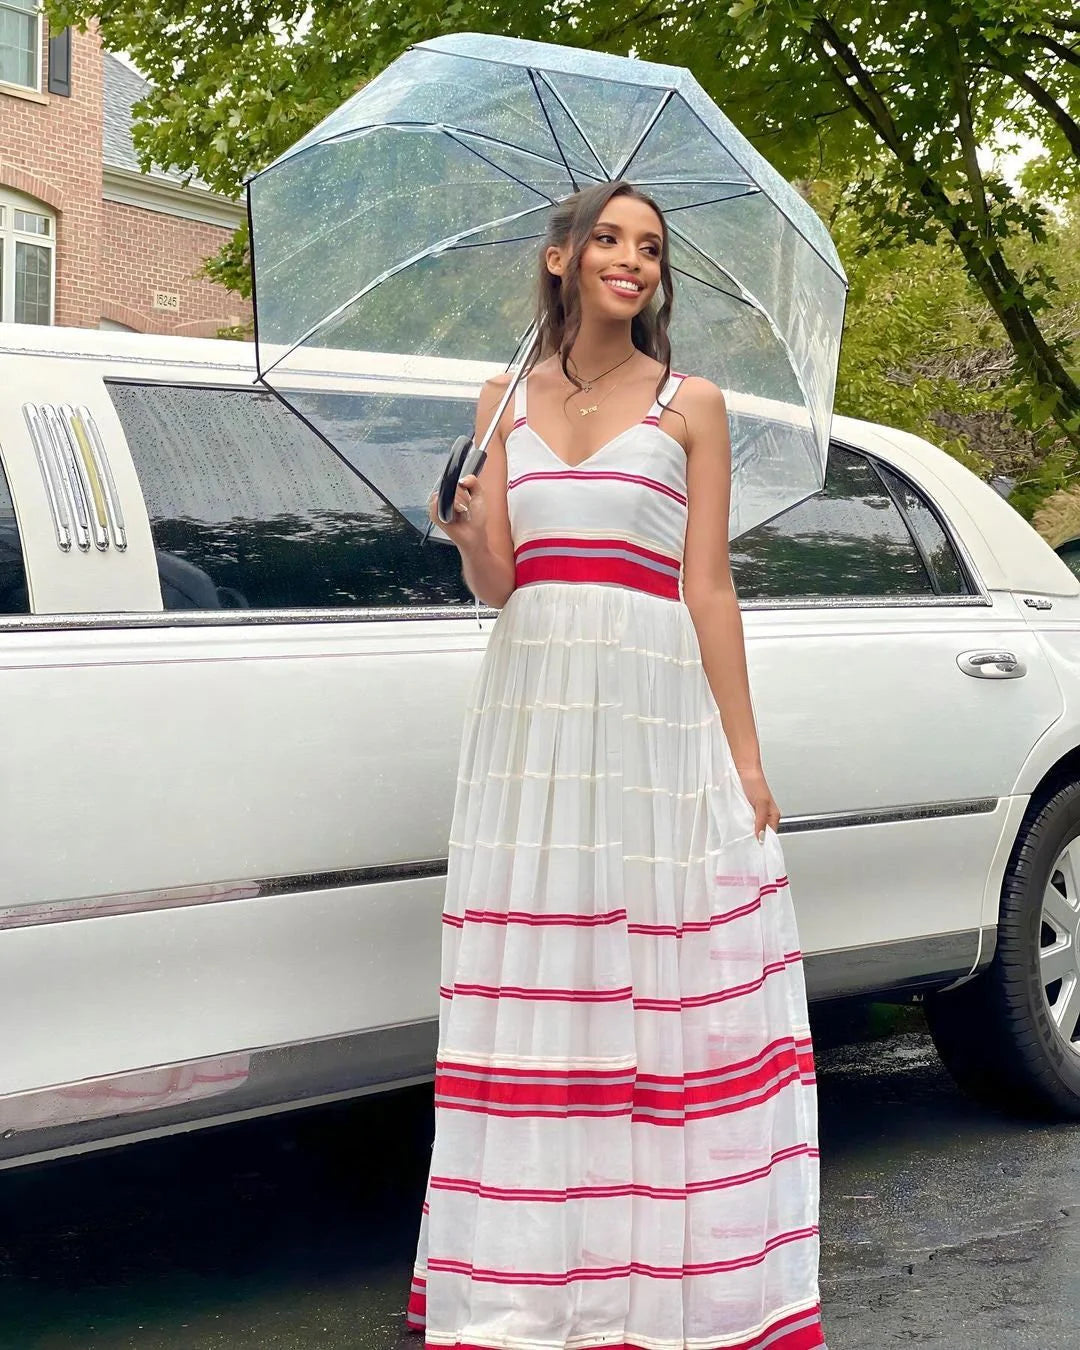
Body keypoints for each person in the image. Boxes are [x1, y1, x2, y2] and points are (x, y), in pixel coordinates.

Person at [409, 180, 825, 1350]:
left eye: (648, 247)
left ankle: (659, 1286)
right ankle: (535, 1286)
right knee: (550, 984)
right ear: (560, 259)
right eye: (607, 239)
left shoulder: (692, 403)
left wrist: (745, 763)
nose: (629, 260)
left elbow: (709, 586)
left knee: (655, 995)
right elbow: (498, 585)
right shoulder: (500, 403)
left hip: (652, 722)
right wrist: (468, 527)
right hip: (534, 721)